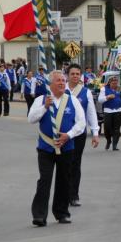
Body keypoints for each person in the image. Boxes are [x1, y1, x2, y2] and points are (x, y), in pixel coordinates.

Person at [28, 70, 86, 226]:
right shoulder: (42, 99)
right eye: (58, 81)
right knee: (44, 180)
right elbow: (31, 119)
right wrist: (44, 107)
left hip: (66, 147)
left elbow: (81, 123)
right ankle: (39, 215)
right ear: (50, 84)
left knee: (64, 180)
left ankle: (62, 213)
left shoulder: (72, 100)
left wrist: (69, 135)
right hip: (46, 148)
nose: (61, 83)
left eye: (63, 80)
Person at [66, 64, 100, 207]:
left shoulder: (85, 92)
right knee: (64, 164)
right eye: (72, 73)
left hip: (79, 134)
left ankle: (74, 195)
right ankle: (63, 194)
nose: (75, 76)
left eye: (77, 74)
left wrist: (95, 132)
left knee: (75, 163)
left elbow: (91, 112)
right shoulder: (62, 90)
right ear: (67, 75)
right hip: (64, 134)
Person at [98, 76, 121, 151]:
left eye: (116, 82)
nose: (115, 84)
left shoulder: (119, 88)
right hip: (108, 111)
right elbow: (100, 100)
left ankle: (115, 145)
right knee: (107, 129)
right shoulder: (104, 89)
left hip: (118, 110)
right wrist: (107, 97)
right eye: (113, 83)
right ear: (109, 83)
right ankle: (108, 141)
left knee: (116, 129)